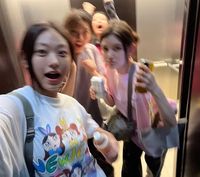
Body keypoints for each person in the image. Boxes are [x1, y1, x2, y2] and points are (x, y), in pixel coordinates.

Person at [0, 22, 118, 177]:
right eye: (42, 52)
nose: (54, 61)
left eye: (62, 53)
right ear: (25, 59)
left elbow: (101, 137)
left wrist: (107, 142)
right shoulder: (14, 107)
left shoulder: (72, 104)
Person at [90, 20, 177, 177]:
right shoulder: (111, 70)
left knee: (152, 171)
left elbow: (155, 117)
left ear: (130, 49)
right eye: (105, 48)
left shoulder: (140, 78)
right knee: (129, 171)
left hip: (151, 134)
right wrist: (101, 93)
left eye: (116, 48)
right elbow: (112, 100)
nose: (109, 55)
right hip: (132, 133)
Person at [63, 9, 115, 177]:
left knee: (103, 162)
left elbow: (104, 80)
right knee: (80, 164)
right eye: (74, 32)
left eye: (84, 32)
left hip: (93, 118)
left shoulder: (92, 50)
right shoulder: (62, 54)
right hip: (70, 123)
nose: (79, 37)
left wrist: (95, 73)